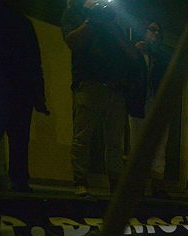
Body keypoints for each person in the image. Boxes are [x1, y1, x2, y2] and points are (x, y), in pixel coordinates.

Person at [61, 0, 142, 199]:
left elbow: (132, 55)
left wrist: (112, 24)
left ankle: (116, 186)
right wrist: (92, 20)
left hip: (116, 89)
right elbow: (72, 42)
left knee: (115, 142)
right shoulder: (75, 13)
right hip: (89, 85)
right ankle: (80, 182)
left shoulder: (112, 21)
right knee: (83, 137)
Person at [0, 2, 49, 193]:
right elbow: (34, 60)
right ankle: (18, 179)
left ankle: (0, 179)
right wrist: (38, 93)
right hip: (20, 86)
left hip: (1, 83)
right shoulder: (23, 23)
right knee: (19, 137)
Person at [129, 20, 171, 198]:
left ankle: (157, 182)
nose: (156, 34)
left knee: (160, 143)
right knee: (137, 142)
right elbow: (129, 73)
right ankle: (137, 183)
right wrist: (135, 51)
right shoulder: (136, 51)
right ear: (144, 32)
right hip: (139, 102)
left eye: (158, 31)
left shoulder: (163, 56)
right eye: (152, 30)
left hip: (158, 103)